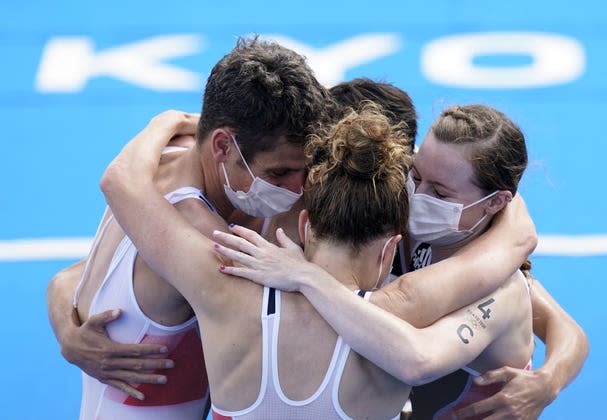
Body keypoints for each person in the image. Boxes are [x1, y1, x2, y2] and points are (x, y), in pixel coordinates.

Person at [210, 104, 589, 419]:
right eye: (416, 175)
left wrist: (549, 381)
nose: (416, 196)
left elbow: (564, 328)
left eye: (439, 191)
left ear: (494, 203)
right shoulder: (414, 229)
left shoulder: (497, 280)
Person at [46, 36, 333, 418]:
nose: (298, 189)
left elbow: (69, 278)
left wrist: (67, 327)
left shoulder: (165, 159)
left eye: (304, 170)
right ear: (222, 146)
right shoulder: (189, 225)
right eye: (279, 173)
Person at [101, 104, 417, 417]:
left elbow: (120, 182)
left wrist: (169, 119)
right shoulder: (413, 314)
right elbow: (465, 278)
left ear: (305, 226)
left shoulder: (222, 284)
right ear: (390, 249)